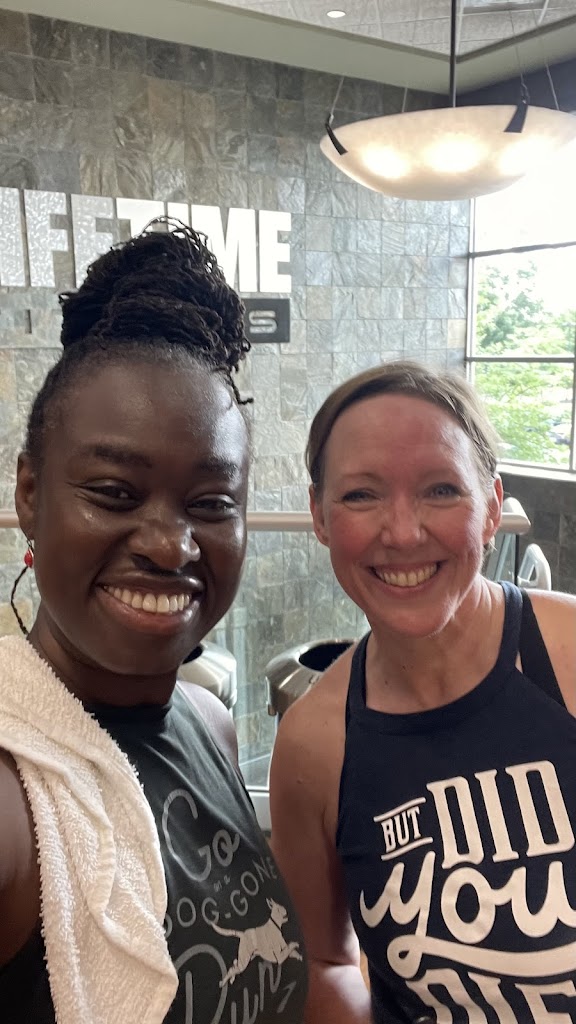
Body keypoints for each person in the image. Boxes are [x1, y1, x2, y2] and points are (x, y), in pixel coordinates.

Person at [0, 220, 306, 1024]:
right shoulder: (13, 792)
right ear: (30, 494)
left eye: (211, 503)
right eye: (114, 493)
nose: (172, 546)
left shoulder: (210, 724)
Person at [269, 360, 576, 1024]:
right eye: (361, 495)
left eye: (441, 490)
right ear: (319, 516)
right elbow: (322, 963)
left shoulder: (569, 655)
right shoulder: (313, 745)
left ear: (491, 506)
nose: (404, 532)